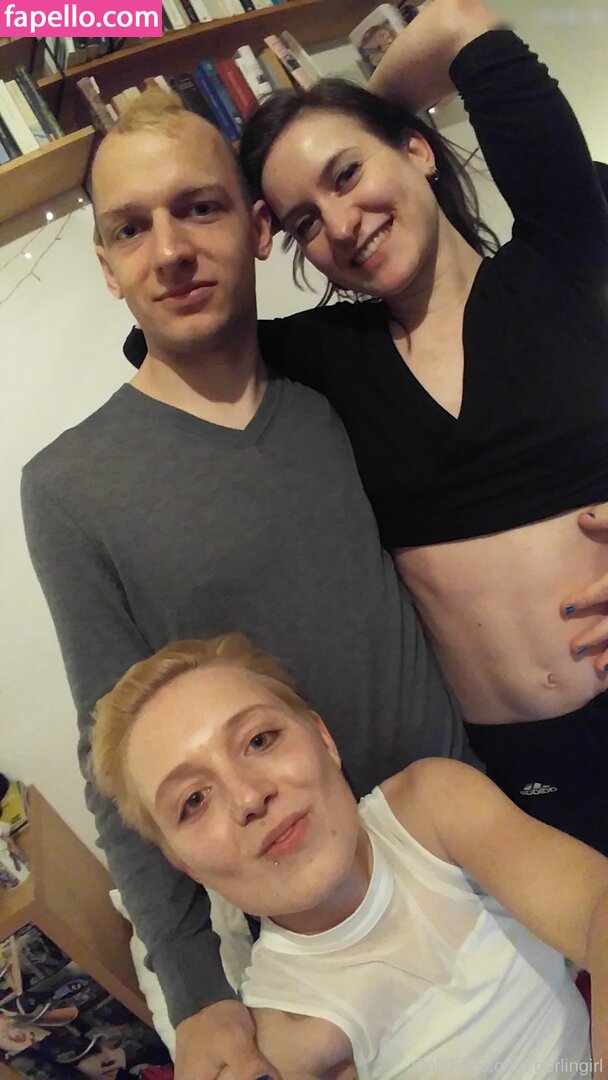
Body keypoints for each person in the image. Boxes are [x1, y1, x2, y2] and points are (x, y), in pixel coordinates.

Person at [20, 88, 473, 1080]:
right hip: (314, 926)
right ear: (106, 265)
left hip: (474, 843)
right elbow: (117, 766)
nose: (170, 251)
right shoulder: (70, 488)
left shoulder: (341, 385)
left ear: (259, 227)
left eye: (200, 208)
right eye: (130, 228)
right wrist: (198, 996)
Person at [233, 0, 608, 853]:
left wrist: (364, 102)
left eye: (345, 175)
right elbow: (166, 332)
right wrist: (233, 209)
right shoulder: (330, 356)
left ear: (417, 149)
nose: (339, 226)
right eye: (301, 222)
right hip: (522, 771)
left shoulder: (561, 257)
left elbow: (458, 23)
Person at [91, 633, 608, 1080]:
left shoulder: (433, 807)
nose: (249, 797)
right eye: (193, 801)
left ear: (323, 739)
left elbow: (597, 907)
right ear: (185, 866)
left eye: (260, 739)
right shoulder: (283, 1039)